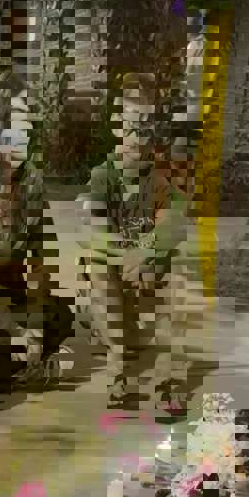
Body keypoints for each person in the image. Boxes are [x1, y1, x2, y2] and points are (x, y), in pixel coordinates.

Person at [76, 72, 195, 412]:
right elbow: (95, 228)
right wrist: (128, 257)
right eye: (130, 126)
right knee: (98, 267)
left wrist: (147, 252)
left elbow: (175, 220)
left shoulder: (159, 180)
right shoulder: (102, 177)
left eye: (144, 128)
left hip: (145, 275)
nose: (136, 137)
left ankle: (167, 381)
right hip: (114, 282)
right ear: (116, 127)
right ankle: (119, 370)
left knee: (176, 274)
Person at [0, 69, 75, 399]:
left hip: (12, 293)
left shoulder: (33, 182)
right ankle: (3, 365)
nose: (25, 131)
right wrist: (13, 326)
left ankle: (14, 363)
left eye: (29, 122)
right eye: (18, 121)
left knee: (61, 316)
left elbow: (40, 260)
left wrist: (34, 327)